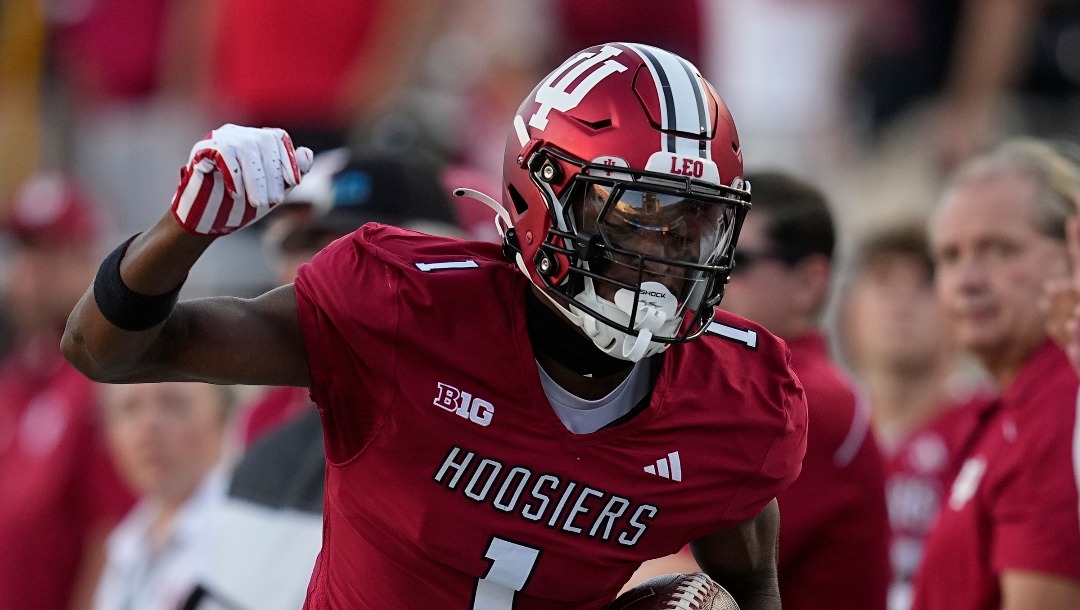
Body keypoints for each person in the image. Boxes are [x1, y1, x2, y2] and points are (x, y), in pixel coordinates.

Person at [61, 43, 808, 609]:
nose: (668, 254)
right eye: (640, 215)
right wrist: (181, 232)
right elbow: (105, 351)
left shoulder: (739, 404)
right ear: (545, 196)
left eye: (696, 223)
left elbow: (749, 586)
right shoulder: (402, 307)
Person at [912, 139, 1080, 609]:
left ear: (1073, 251)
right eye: (949, 257)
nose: (968, 281)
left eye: (1000, 250)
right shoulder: (1015, 409)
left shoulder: (1059, 412)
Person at [719, 171, 890, 610]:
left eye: (735, 260)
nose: (710, 273)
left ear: (808, 282)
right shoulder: (750, 385)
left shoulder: (806, 400)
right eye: (703, 248)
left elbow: (678, 579)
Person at [836, 222, 995, 610]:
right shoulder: (807, 433)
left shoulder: (996, 430)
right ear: (848, 312)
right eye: (883, 280)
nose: (902, 301)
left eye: (925, 282)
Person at [0, 173, 134, 610]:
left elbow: (112, 535)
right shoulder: (20, 376)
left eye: (52, 253)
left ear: (90, 259)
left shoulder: (104, 379)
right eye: (25, 251)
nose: (31, 271)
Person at [92, 382, 235, 610]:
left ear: (222, 418)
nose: (148, 425)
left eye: (173, 404)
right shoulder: (125, 545)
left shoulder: (244, 533)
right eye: (130, 408)